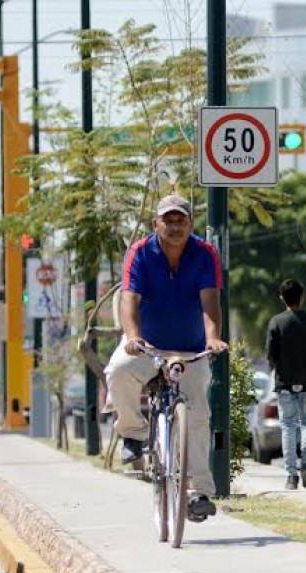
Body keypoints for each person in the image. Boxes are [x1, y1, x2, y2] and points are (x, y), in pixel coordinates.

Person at [105, 194, 229, 523]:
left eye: (181, 220)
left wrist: (212, 338)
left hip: (190, 349)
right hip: (147, 346)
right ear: (155, 224)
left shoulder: (205, 253)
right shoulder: (141, 252)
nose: (175, 226)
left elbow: (210, 302)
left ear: (191, 223)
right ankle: (132, 431)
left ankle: (198, 491)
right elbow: (129, 299)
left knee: (199, 415)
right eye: (168, 220)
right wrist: (132, 337)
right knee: (118, 370)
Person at [266, 279, 306, 490]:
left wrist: (280, 367)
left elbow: (270, 356)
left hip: (284, 383)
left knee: (288, 426)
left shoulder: (276, 322)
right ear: (303, 297)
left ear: (282, 298)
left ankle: (291, 475)